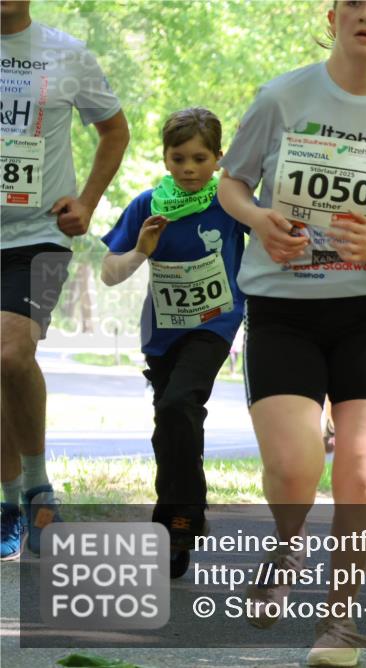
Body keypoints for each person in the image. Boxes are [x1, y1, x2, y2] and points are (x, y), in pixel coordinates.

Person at [217, 1, 366, 664]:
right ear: (332, 16)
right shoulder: (283, 97)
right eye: (355, 1)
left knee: (359, 472)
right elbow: (230, 184)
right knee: (294, 467)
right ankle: (287, 541)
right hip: (283, 309)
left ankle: (339, 623)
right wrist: (259, 220)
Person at [1, 0, 129, 561]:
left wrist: (88, 202)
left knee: (9, 353)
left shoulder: (67, 54)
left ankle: (37, 481)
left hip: (38, 234)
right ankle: (11, 502)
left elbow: (115, 131)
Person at [100, 108, 244, 578]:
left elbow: (271, 236)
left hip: (215, 322)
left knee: (180, 403)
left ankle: (182, 518)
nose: (188, 167)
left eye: (199, 158)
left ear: (218, 159)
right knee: (170, 422)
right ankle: (176, 520)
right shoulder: (148, 205)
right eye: (178, 157)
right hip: (162, 331)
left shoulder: (229, 202)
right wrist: (141, 250)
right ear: (164, 158)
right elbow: (109, 273)